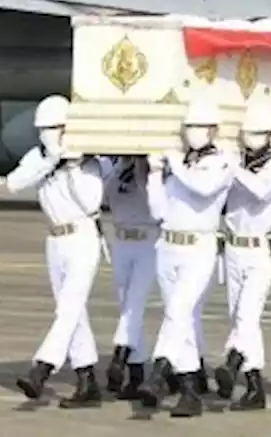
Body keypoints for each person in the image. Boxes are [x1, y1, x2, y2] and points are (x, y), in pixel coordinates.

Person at [6, 94, 107, 409]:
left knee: (68, 309)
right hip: (55, 241)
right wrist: (50, 160)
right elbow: (14, 183)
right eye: (44, 129)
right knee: (73, 312)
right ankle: (87, 378)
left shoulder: (89, 163)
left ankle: (42, 368)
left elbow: (90, 203)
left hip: (82, 238)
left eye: (54, 128)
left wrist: (72, 166)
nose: (47, 134)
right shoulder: (39, 156)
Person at [136, 99, 233, 418]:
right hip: (167, 247)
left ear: (214, 131)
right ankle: (191, 391)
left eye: (199, 127)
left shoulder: (222, 161)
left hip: (199, 248)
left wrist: (175, 164)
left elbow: (204, 189)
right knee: (183, 322)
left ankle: (159, 372)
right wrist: (153, 175)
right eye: (188, 127)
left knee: (177, 313)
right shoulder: (181, 166)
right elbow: (158, 211)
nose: (192, 133)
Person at [214, 101, 271, 410]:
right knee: (243, 319)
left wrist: (233, 168)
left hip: (261, 250)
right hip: (233, 247)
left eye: (258, 133)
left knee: (247, 314)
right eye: (248, 133)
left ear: (270, 134)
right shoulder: (236, 163)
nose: (252, 138)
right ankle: (254, 386)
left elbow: (261, 190)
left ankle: (232, 360)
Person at [100, 154, 158, 399]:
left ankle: (120, 355)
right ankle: (136, 375)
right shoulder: (113, 168)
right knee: (127, 308)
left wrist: (146, 170)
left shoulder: (154, 170)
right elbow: (102, 200)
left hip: (147, 240)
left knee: (134, 304)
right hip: (121, 240)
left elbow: (157, 204)